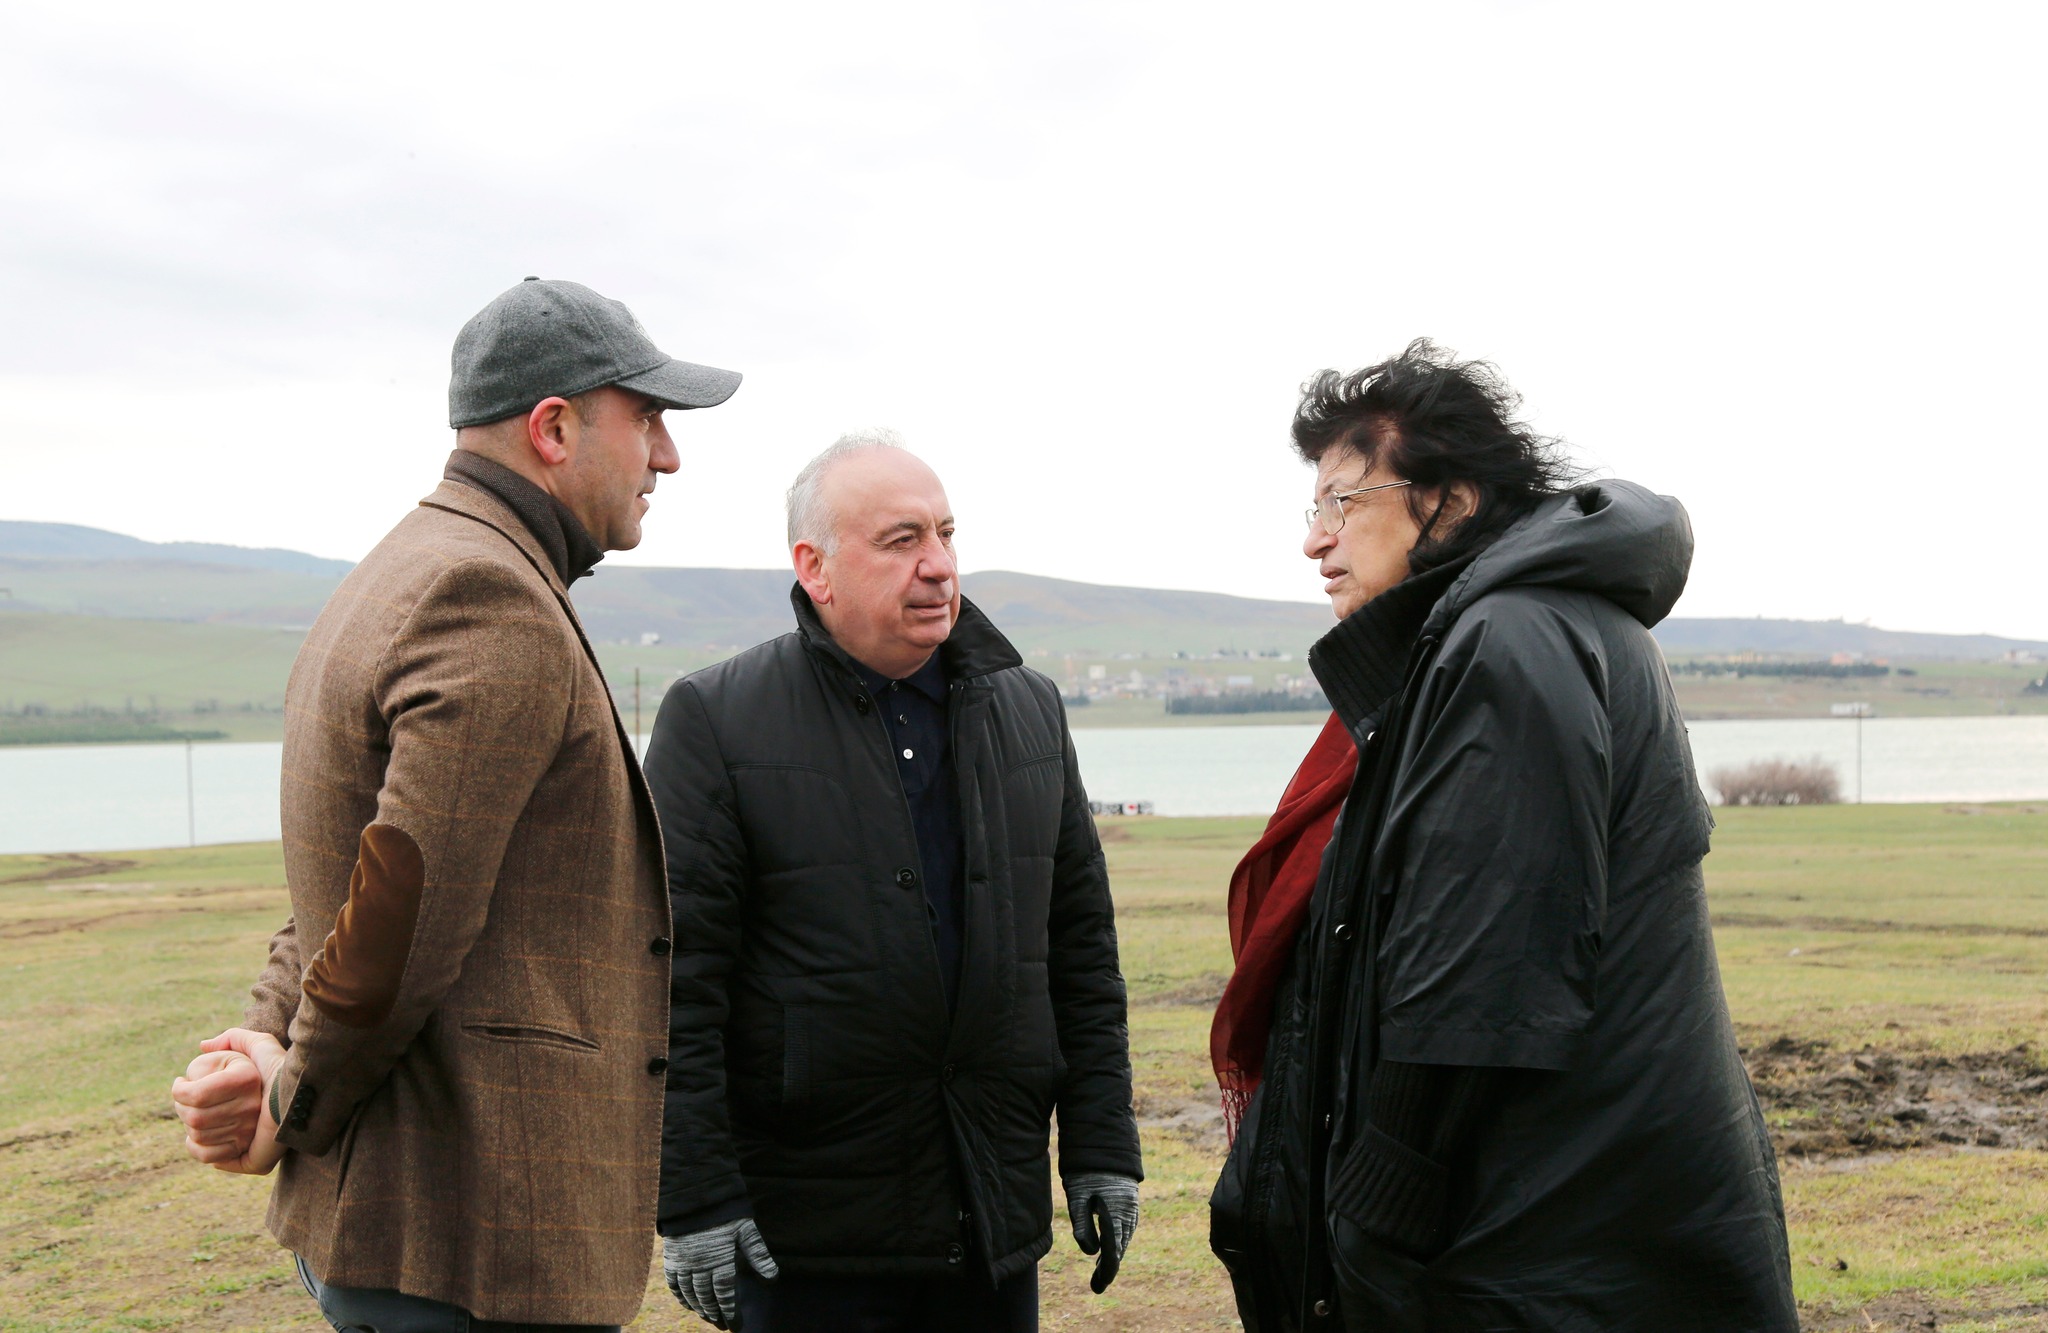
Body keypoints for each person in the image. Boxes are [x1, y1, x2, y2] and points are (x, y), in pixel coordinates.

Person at [166, 277, 741, 1332]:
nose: (668, 456)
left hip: (416, 1241)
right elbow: (399, 920)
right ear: (553, 428)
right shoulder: (491, 599)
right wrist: (287, 1102)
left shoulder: (405, 567)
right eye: (648, 417)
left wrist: (261, 1040)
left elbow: (359, 870)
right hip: (473, 1241)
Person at [1208, 340, 1798, 1331]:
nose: (1315, 540)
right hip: (1566, 1211)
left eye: (1342, 502)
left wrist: (1382, 1188)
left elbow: (1486, 960)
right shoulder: (1514, 627)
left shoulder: (1510, 640)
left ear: (1450, 501)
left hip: (1541, 1235)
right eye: (1311, 508)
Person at [643, 431, 1142, 1333]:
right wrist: (697, 1195)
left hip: (987, 1216)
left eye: (946, 534)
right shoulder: (717, 719)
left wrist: (1102, 1144)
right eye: (902, 539)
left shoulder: (1030, 710)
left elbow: (1079, 949)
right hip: (809, 1235)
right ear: (816, 567)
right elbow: (675, 979)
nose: (939, 565)